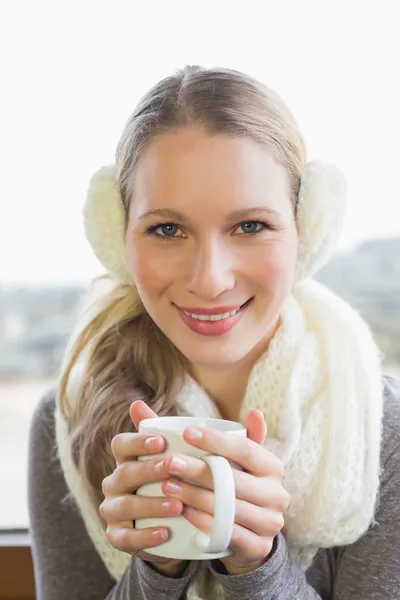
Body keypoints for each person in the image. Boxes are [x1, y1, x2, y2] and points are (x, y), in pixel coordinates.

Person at [28, 65, 400, 600]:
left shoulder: (384, 431)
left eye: (250, 226)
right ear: (118, 239)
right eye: (167, 229)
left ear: (307, 230)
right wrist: (156, 565)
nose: (210, 278)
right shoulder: (69, 418)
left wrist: (259, 566)